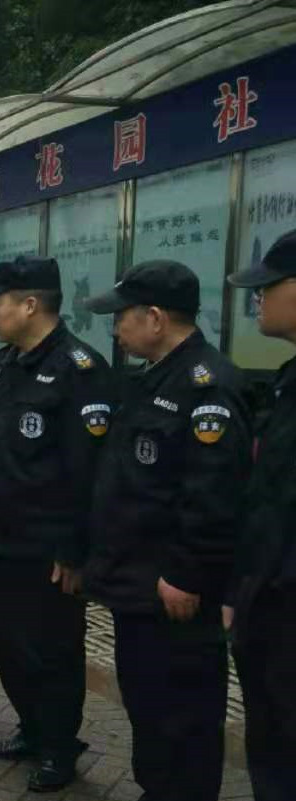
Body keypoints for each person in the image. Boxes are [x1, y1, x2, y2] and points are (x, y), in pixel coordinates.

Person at [82, 260, 251, 801]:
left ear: (154, 317)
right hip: (138, 584)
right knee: (149, 704)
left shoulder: (207, 386)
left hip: (172, 589)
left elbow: (214, 493)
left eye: (122, 317)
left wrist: (186, 572)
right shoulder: (154, 377)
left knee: (183, 713)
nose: (115, 329)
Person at [0, 256, 114, 791]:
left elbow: (89, 472)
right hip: (5, 538)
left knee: (52, 650)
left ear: (30, 304)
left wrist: (75, 552)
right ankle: (31, 729)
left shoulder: (81, 369)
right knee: (12, 645)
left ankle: (58, 747)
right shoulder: (8, 363)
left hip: (49, 547)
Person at [223, 232, 296, 801]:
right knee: (272, 741)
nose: (258, 299)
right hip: (269, 603)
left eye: (268, 287)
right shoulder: (287, 381)